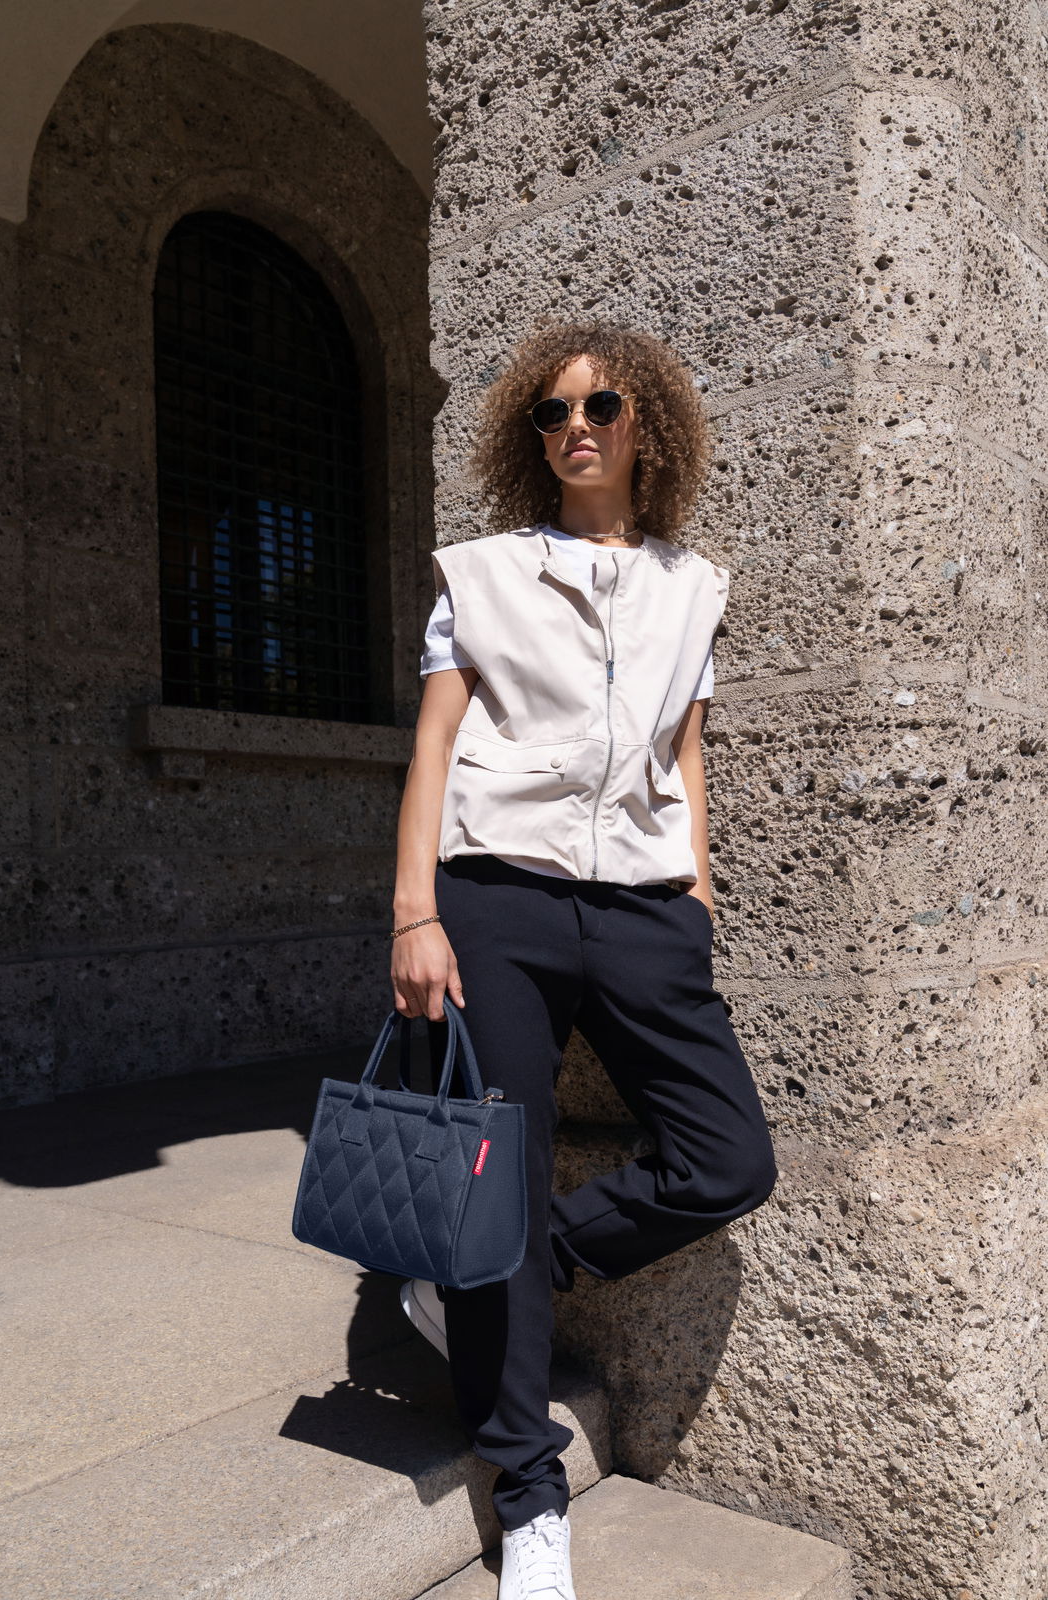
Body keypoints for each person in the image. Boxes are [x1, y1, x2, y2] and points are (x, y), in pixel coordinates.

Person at [389, 318, 778, 1600]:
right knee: (500, 1157)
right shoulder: (484, 572)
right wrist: (413, 913)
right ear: (529, 436)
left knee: (725, 1156)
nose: (577, 427)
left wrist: (697, 889)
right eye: (553, 412)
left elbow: (682, 753)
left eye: (601, 407)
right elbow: (437, 748)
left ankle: (510, 1273)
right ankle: (530, 1488)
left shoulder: (691, 586)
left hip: (642, 911)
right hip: (494, 898)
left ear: (642, 425)